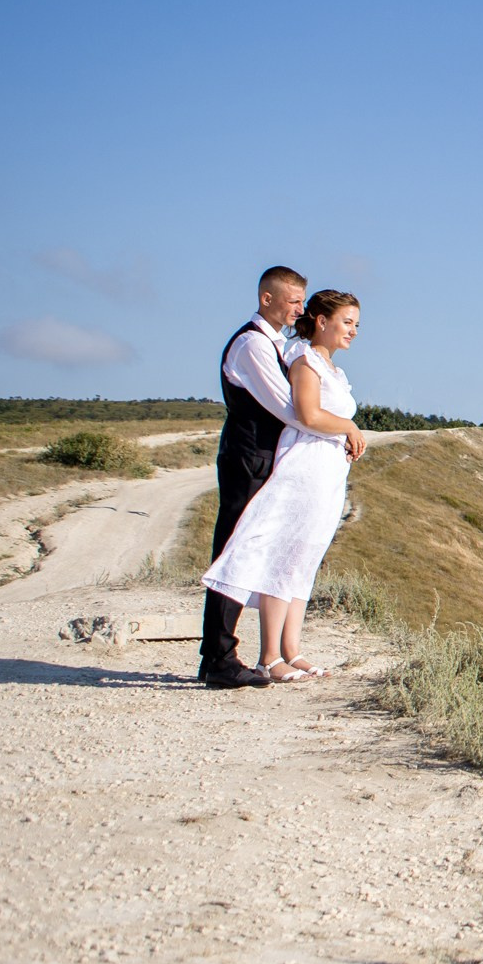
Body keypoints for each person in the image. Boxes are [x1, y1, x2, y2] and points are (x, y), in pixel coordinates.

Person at [202, 288, 369, 682]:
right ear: (323, 322)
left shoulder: (331, 369)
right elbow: (305, 414)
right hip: (304, 465)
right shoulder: (300, 357)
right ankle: (269, 655)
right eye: (348, 322)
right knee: (284, 552)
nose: (354, 331)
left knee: (305, 556)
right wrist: (347, 427)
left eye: (357, 324)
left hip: (328, 469)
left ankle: (291, 649)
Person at [199, 265, 306, 688]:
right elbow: (288, 408)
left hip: (262, 458)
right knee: (234, 553)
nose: (300, 308)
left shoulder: (277, 345)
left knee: (251, 553)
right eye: (293, 300)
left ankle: (225, 655)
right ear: (267, 298)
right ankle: (218, 658)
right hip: (247, 458)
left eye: (302, 299)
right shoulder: (252, 345)